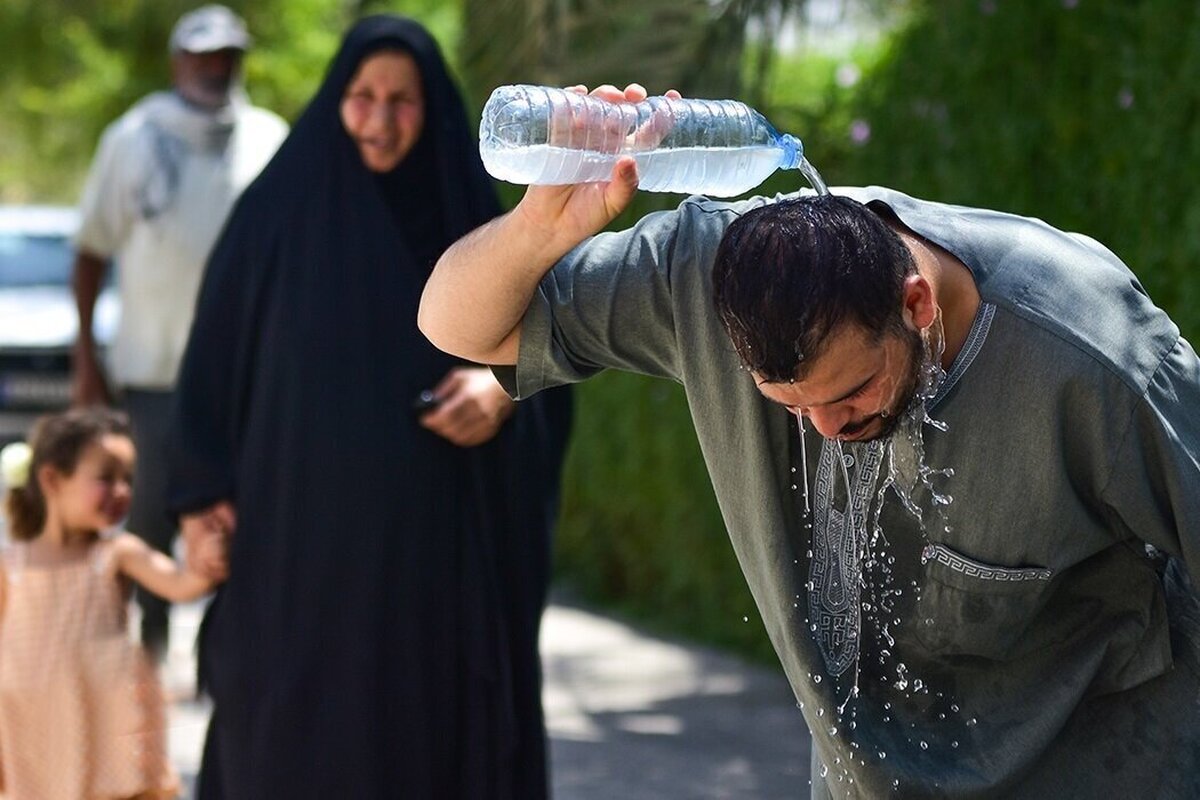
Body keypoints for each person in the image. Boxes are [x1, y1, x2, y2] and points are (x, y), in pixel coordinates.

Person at [419, 83, 1200, 798]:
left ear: (916, 305)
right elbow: (454, 324)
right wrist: (537, 227)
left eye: (852, 391)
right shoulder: (704, 274)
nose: (826, 428)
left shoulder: (1091, 351)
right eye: (787, 405)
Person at [168, 15, 572, 798]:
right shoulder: (274, 217)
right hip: (295, 560)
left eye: (403, 100)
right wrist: (197, 499)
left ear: (436, 110)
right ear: (335, 100)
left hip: (437, 566)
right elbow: (211, 367)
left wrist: (501, 389)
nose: (380, 119)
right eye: (362, 96)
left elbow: (562, 347)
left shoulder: (477, 218)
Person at [70, 4, 288, 659]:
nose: (215, 68)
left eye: (227, 56)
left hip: (247, 379)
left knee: (243, 519)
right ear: (178, 61)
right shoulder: (131, 138)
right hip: (154, 372)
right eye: (202, 55)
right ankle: (148, 651)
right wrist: (86, 355)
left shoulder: (268, 138)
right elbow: (90, 253)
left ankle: (229, 661)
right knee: (148, 516)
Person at [0, 408, 225, 799]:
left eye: (128, 479)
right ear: (52, 479)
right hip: (33, 734)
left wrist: (207, 557)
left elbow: (181, 584)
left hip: (102, 730)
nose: (122, 491)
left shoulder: (116, 554)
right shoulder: (12, 565)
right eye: (106, 478)